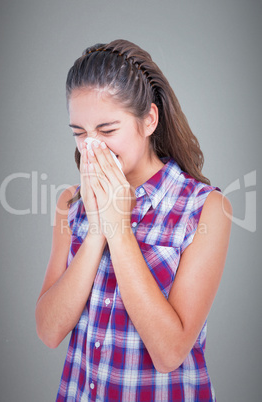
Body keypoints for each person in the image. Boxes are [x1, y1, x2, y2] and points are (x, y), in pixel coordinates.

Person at [35, 39, 232, 401]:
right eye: (79, 133)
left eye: (107, 131)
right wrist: (96, 230)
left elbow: (170, 353)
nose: (90, 147)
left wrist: (118, 229)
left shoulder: (205, 208)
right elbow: (48, 331)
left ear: (149, 121)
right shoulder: (70, 203)